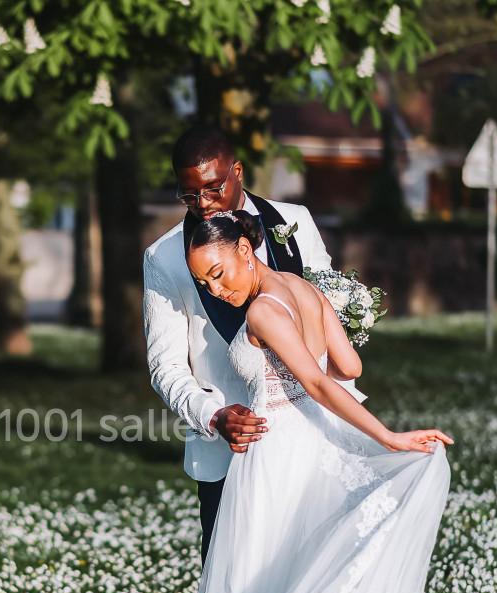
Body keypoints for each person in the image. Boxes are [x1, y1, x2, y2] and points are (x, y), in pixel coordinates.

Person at [73, 210, 453, 593]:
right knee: (294, 590)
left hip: (277, 459)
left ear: (249, 249)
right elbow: (349, 368)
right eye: (205, 282)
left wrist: (391, 438)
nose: (217, 289)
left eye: (220, 273)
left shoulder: (260, 312)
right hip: (317, 449)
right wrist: (333, 318)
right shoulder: (305, 289)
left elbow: (320, 382)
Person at [141, 125, 358, 566]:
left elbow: (328, 305)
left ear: (237, 171)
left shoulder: (295, 222)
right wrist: (213, 416)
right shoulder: (163, 258)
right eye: (188, 195)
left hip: (317, 438)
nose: (202, 204)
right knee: (234, 586)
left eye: (213, 188)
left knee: (317, 576)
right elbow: (164, 367)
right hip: (232, 449)